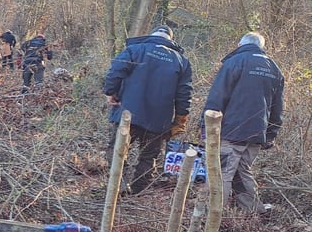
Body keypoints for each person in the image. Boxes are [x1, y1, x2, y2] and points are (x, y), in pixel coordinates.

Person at [103, 25, 192, 194]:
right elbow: (184, 93)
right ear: (170, 40)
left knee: (117, 149)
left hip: (128, 113)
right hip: (159, 120)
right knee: (148, 156)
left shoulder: (134, 49)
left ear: (152, 35)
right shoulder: (182, 61)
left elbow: (116, 70)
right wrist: (181, 118)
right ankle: (138, 191)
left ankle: (119, 185)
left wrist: (110, 92)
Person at [203, 31, 284, 213]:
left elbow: (217, 97)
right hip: (257, 133)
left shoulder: (234, 62)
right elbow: (277, 108)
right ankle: (253, 211)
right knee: (241, 170)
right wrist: (270, 135)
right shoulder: (274, 69)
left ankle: (212, 215)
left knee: (221, 172)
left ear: (240, 45)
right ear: (261, 47)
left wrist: (206, 127)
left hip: (231, 131)